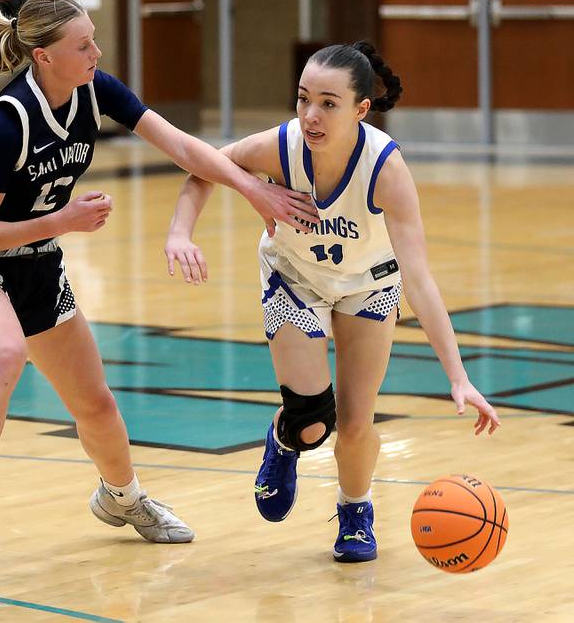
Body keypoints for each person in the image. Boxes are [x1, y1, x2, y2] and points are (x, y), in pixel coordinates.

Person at [0, 0, 316, 590]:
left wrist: (252, 189)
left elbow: (183, 146)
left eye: (94, 39)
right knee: (4, 356)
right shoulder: (8, 123)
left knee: (98, 407)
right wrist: (60, 221)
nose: (96, 51)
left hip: (37, 266)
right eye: (83, 45)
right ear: (43, 58)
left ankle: (122, 498)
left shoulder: (95, 89)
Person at [164, 41, 501, 563]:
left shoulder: (386, 169)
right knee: (311, 421)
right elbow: (205, 168)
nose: (310, 115)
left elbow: (421, 281)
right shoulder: (281, 146)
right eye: (302, 99)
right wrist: (181, 233)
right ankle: (285, 437)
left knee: (358, 420)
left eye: (328, 103)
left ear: (361, 109)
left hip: (370, 284)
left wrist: (457, 375)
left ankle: (356, 511)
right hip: (294, 274)